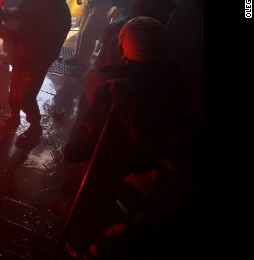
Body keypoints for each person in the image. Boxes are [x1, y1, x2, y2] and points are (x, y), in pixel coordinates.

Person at [59, 17, 190, 257]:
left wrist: (71, 152)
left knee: (88, 210)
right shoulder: (175, 82)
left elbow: (89, 134)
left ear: (123, 46)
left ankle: (78, 247)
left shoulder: (117, 88)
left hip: (108, 169)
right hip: (146, 172)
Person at [0, 0, 72, 140]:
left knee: (26, 97)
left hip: (36, 60)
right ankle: (13, 119)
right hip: (22, 55)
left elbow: (28, 42)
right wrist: (5, 13)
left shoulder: (59, 16)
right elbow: (21, 10)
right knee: (14, 92)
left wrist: (1, 29)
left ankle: (35, 127)